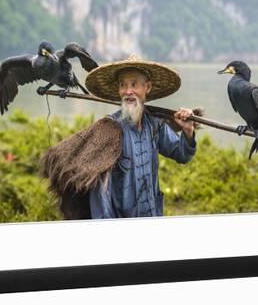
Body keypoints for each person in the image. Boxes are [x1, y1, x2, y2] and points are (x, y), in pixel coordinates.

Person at [84, 55, 196, 218]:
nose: (128, 91)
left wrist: (187, 130)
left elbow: (183, 155)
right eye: (123, 85)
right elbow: (99, 195)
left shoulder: (155, 125)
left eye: (134, 84)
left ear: (147, 87)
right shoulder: (110, 130)